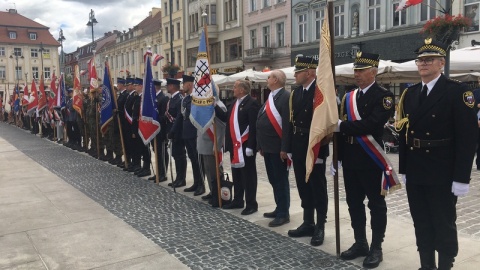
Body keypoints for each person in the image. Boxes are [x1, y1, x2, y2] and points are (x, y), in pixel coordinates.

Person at [396, 39, 477, 270]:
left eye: (428, 60)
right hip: (416, 168)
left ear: (441, 63)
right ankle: (426, 265)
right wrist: (403, 168)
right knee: (421, 221)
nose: (422, 64)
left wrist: (462, 178)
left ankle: (445, 265)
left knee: (443, 223)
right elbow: (404, 133)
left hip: (442, 169)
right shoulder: (410, 94)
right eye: (420, 60)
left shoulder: (457, 92)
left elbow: (468, 138)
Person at [335, 52, 395, 268]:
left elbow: (372, 125)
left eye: (361, 71)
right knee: (353, 202)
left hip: (371, 159)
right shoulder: (349, 96)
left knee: (376, 204)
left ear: (374, 72)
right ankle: (360, 242)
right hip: (351, 159)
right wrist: (339, 158)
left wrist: (342, 126)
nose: (357, 74)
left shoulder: (384, 96)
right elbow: (341, 131)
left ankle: (376, 247)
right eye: (355, 70)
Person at [287, 56, 329, 247]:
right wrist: (288, 148)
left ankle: (320, 225)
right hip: (298, 143)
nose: (295, 74)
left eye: (299, 71)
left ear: (310, 72)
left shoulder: (320, 92)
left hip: (315, 144)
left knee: (317, 186)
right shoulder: (296, 93)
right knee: (303, 184)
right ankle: (308, 221)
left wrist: (321, 149)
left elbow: (327, 123)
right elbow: (291, 121)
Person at [215, 79, 259, 215]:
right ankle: (238, 200)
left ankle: (251, 203)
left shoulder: (251, 103)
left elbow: (253, 126)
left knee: (248, 176)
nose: (233, 89)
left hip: (245, 146)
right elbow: (225, 117)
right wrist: (214, 105)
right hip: (234, 146)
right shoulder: (234, 103)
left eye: (235, 87)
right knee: (237, 174)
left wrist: (252, 146)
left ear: (242, 90)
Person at [256, 69, 291, 227]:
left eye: (269, 76)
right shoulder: (270, 96)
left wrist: (285, 148)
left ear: (276, 80)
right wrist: (261, 146)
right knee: (273, 180)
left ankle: (284, 213)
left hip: (278, 148)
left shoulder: (285, 97)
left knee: (280, 180)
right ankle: (279, 207)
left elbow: (286, 126)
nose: (267, 78)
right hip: (268, 147)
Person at [171, 74, 204, 195]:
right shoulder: (185, 99)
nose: (182, 87)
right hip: (186, 133)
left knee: (198, 160)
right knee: (192, 159)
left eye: (183, 84)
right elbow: (180, 116)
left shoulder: (196, 98)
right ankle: (196, 183)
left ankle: (201, 184)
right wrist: (173, 131)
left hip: (194, 133)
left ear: (189, 85)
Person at [166, 78, 187, 188]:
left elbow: (179, 117)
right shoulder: (173, 99)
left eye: (168, 85)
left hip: (178, 132)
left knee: (180, 156)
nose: (167, 87)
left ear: (173, 86)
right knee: (175, 155)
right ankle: (179, 178)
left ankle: (181, 179)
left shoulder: (179, 99)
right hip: (173, 131)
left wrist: (173, 131)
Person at [149, 79, 170, 182]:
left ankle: (163, 173)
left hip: (161, 130)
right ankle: (158, 172)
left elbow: (164, 116)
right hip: (153, 130)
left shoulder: (163, 98)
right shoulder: (154, 98)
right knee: (156, 152)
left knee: (161, 152)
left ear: (155, 87)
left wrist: (155, 118)